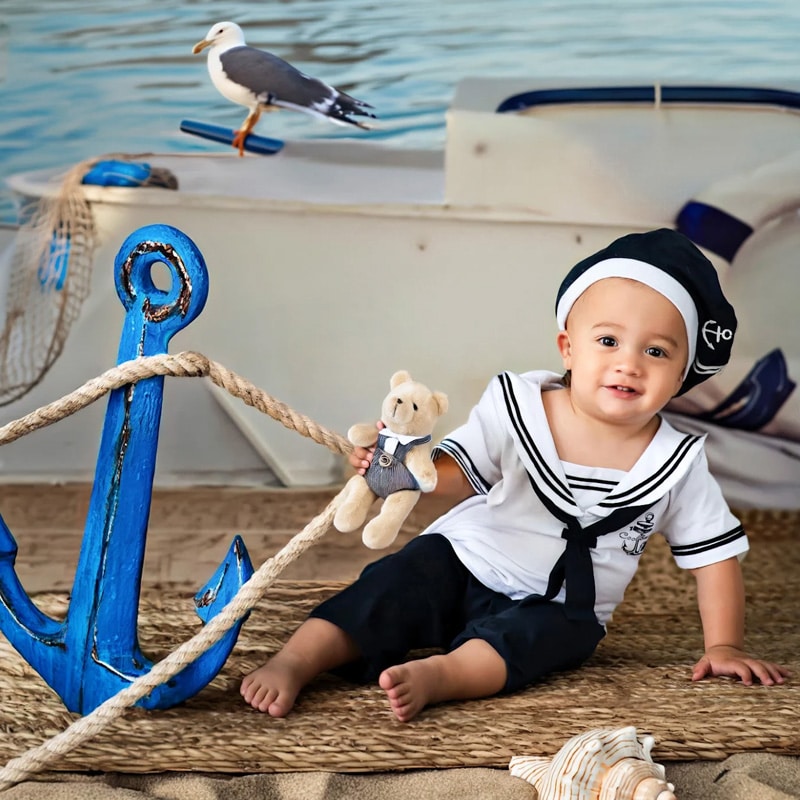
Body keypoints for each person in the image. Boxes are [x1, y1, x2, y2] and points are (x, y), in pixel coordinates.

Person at [241, 228, 790, 722]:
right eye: (608, 341)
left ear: (683, 375)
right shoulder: (519, 406)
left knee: (536, 640)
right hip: (467, 556)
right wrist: (410, 472)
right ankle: (295, 660)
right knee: (388, 587)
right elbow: (460, 469)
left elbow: (714, 558)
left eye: (656, 351)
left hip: (564, 607)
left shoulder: (678, 460)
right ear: (568, 348)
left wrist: (724, 646)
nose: (629, 363)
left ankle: (445, 675)